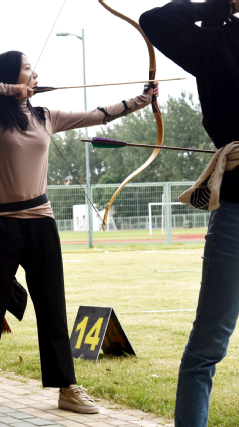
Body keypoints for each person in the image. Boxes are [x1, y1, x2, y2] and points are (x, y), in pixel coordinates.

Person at [0, 51, 159, 419]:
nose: (35, 75)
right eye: (28, 70)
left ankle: (66, 386)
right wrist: (10, 90)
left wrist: (141, 100)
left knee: (52, 305)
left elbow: (98, 114)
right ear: (11, 76)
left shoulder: (45, 116)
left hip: (40, 222)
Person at [139, 2, 239, 426]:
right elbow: (154, 22)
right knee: (207, 348)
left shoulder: (218, 40)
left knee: (205, 350)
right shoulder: (221, 42)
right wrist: (217, 7)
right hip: (235, 209)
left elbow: (157, 21)